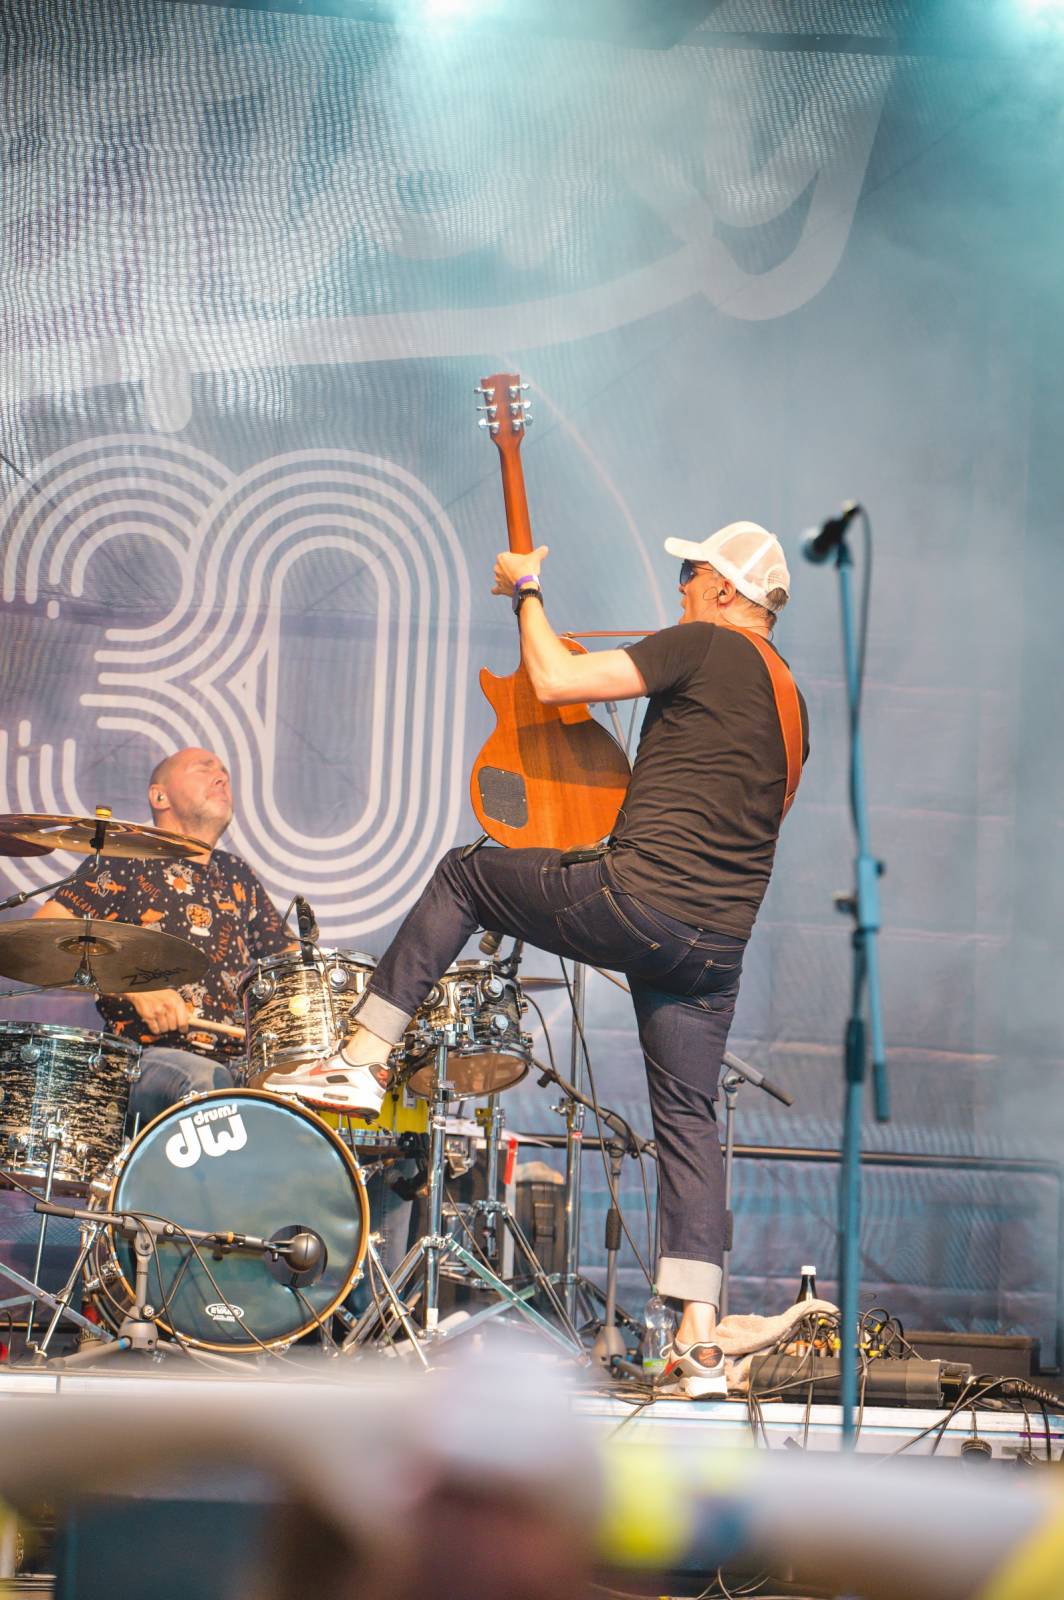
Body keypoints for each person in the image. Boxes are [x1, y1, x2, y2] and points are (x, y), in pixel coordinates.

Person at [264, 521, 809, 1396]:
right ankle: (701, 1340)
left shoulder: (704, 643)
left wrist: (527, 588)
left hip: (643, 900)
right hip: (718, 947)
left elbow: (554, 680)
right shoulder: (791, 704)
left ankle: (360, 1061)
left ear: (721, 586)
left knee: (466, 875)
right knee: (688, 1118)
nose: (678, 588)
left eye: (688, 574)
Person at [33, 747, 293, 1123]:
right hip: (143, 1061)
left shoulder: (237, 875)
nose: (222, 777)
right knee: (207, 1085)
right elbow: (43, 936)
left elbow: (289, 967)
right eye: (204, 769)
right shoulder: (126, 858)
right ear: (160, 796)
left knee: (295, 1104)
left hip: (238, 1064)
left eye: (224, 772)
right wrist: (133, 986)